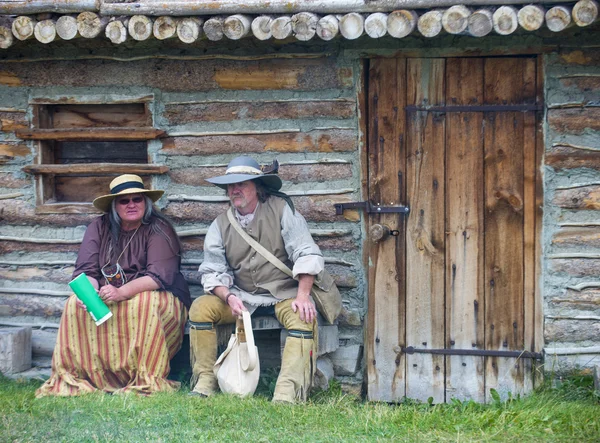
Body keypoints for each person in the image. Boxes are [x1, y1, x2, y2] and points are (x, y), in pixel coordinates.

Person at [36, 174, 191, 397]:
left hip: (156, 294)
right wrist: (88, 293)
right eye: (124, 201)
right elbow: (86, 270)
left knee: (144, 304)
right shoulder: (98, 227)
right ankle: (80, 379)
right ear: (113, 205)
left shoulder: (158, 228)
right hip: (108, 293)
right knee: (73, 305)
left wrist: (121, 292)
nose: (131, 205)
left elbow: (158, 276)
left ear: (145, 203)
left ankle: (146, 378)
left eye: (137, 199)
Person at [189, 156, 324, 403]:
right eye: (230, 185)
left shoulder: (284, 211)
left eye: (241, 183)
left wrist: (303, 296)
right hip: (242, 297)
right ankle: (206, 380)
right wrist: (228, 296)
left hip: (284, 294)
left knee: (303, 317)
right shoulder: (220, 225)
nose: (234, 190)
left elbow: (306, 253)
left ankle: (286, 392)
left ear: (258, 187)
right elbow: (212, 271)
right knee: (200, 309)